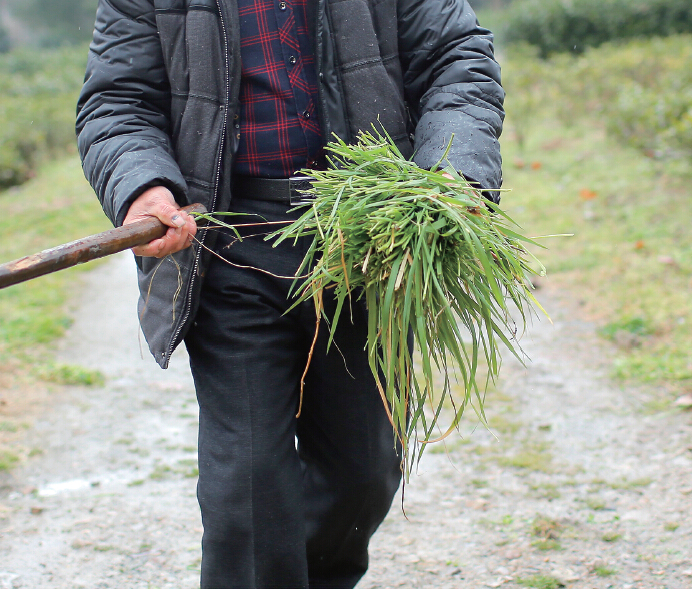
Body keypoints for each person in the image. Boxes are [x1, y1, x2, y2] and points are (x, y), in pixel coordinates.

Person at [76, 0, 504, 585]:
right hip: (229, 243)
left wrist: (450, 172)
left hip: (365, 243)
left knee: (363, 475)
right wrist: (143, 186)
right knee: (247, 490)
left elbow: (457, 60)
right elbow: (117, 100)